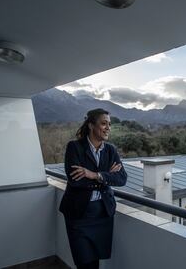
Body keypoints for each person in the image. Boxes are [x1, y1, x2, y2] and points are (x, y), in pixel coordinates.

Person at [59, 108, 127, 269]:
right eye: (104, 123)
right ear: (91, 125)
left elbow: (122, 178)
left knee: (96, 260)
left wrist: (94, 175)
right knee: (84, 262)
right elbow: (75, 180)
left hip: (102, 214)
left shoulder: (110, 150)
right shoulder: (74, 147)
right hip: (78, 214)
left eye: (109, 124)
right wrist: (106, 177)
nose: (108, 127)